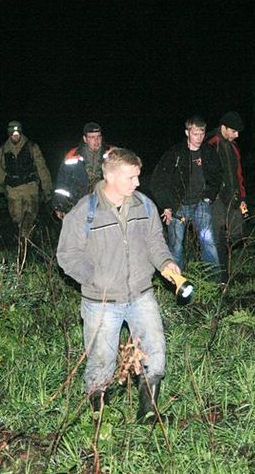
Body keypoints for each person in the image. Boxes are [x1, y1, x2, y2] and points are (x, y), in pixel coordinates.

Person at [57, 147, 180, 423]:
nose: (137, 183)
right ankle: (99, 415)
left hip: (141, 293)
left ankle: (148, 411)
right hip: (101, 301)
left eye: (138, 176)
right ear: (111, 177)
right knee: (101, 361)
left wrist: (166, 264)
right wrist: (95, 277)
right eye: (131, 178)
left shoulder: (145, 205)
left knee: (155, 353)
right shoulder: (84, 212)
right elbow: (67, 255)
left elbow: (154, 243)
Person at [150, 116, 222, 275]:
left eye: (202, 134)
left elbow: (217, 175)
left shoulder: (208, 152)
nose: (199, 138)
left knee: (207, 240)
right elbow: (158, 180)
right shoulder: (175, 153)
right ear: (187, 132)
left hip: (201, 203)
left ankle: (215, 280)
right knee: (176, 245)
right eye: (195, 134)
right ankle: (177, 282)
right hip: (178, 206)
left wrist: (209, 195)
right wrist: (166, 205)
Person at [206, 111, 248, 280]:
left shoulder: (233, 147)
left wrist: (242, 197)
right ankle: (219, 275)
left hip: (233, 197)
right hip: (215, 199)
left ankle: (227, 273)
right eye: (234, 131)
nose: (237, 135)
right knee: (218, 236)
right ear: (223, 128)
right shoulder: (210, 144)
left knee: (235, 235)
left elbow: (238, 174)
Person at [0, 120, 53, 237]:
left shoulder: (32, 147)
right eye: (13, 134)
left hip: (30, 187)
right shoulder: (4, 149)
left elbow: (42, 168)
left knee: (29, 218)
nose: (15, 136)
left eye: (17, 134)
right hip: (13, 189)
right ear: (9, 134)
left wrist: (47, 189)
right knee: (17, 219)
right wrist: (0, 184)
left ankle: (27, 243)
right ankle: (22, 242)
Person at [52, 121, 112, 219]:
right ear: (85, 139)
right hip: (78, 204)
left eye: (98, 136)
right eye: (92, 137)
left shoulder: (111, 154)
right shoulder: (72, 156)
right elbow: (62, 182)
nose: (96, 141)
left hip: (103, 205)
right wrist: (59, 205)